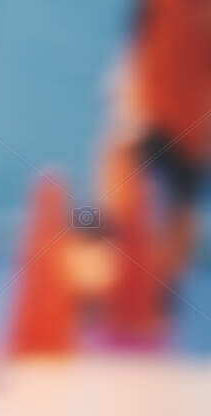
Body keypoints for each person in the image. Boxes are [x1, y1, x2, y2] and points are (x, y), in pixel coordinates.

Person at [88, 0, 211, 308]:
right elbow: (140, 41)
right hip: (149, 99)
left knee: (180, 198)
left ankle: (156, 287)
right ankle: (107, 271)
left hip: (188, 111)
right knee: (123, 176)